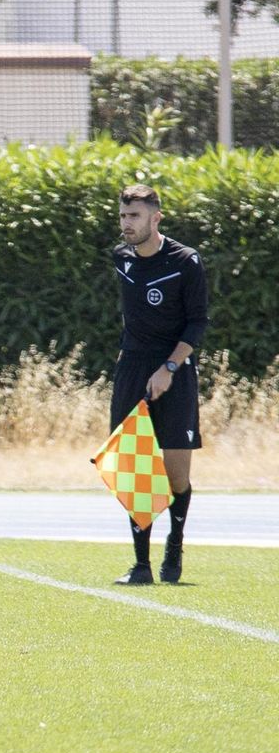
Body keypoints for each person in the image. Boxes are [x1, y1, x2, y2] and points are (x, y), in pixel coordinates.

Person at [110, 184, 208, 586]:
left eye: (134, 216)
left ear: (156, 218)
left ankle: (175, 545)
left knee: (175, 475)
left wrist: (169, 366)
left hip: (175, 371)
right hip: (132, 369)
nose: (126, 224)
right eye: (122, 216)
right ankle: (141, 565)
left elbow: (197, 321)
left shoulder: (186, 261)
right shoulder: (121, 259)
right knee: (134, 467)